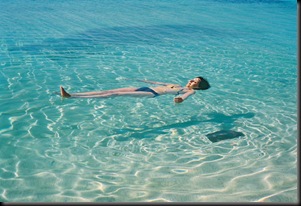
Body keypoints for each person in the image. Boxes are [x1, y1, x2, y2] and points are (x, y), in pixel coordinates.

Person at [60, 76, 210, 103]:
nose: (191, 81)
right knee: (110, 90)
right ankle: (73, 94)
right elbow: (158, 82)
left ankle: (72, 97)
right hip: (146, 87)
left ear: (198, 86)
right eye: (192, 79)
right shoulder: (177, 84)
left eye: (194, 81)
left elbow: (186, 96)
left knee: (116, 94)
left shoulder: (190, 91)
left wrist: (179, 99)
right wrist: (141, 80)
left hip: (151, 93)